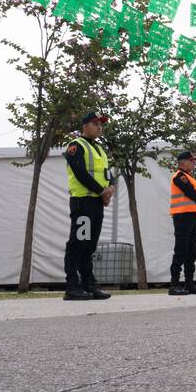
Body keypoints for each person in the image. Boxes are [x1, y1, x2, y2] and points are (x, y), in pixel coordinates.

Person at [62, 110, 114, 301]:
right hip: (83, 202)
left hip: (96, 203)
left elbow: (107, 172)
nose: (99, 127)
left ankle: (89, 285)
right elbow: (80, 173)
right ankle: (72, 286)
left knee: (89, 246)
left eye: (101, 124)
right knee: (78, 243)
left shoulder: (99, 149)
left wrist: (112, 187)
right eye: (95, 123)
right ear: (85, 126)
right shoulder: (76, 146)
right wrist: (103, 192)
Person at [169, 150, 196, 295]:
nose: (194, 163)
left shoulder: (189, 177)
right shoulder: (179, 176)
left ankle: (189, 283)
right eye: (191, 161)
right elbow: (190, 192)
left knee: (191, 251)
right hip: (182, 216)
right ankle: (174, 284)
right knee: (181, 249)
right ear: (183, 162)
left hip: (191, 216)